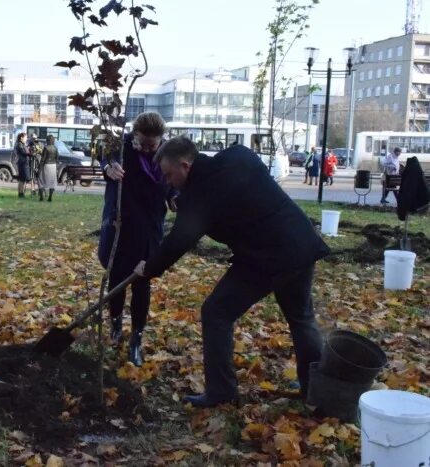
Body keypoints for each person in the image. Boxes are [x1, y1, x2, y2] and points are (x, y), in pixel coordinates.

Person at [134, 136, 329, 408]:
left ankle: (221, 392)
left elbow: (178, 241)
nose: (167, 181)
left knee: (216, 313)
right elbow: (239, 192)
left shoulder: (201, 194)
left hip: (266, 256)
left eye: (169, 175)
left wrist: (149, 269)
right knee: (301, 318)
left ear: (186, 165)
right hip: (300, 242)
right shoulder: (238, 156)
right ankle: (317, 390)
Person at [99, 111, 174, 366]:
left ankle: (136, 340)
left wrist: (175, 197)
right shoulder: (121, 149)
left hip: (149, 231)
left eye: (152, 144)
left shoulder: (166, 155)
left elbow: (172, 186)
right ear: (135, 133)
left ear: (161, 140)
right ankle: (116, 327)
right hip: (120, 226)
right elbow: (103, 157)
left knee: (142, 283)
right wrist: (108, 168)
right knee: (117, 279)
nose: (146, 147)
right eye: (142, 141)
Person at [38, 134, 58, 202]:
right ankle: (50, 197)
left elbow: (43, 159)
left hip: (46, 165)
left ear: (47, 140)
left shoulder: (46, 148)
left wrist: (39, 168)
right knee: (52, 182)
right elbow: (57, 158)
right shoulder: (55, 148)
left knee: (40, 180)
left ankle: (41, 197)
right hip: (53, 166)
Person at [14, 132, 31, 198]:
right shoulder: (19, 144)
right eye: (25, 137)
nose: (26, 139)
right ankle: (21, 193)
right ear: (21, 137)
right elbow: (23, 152)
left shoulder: (23, 144)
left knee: (24, 179)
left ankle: (22, 192)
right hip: (22, 163)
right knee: (22, 179)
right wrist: (30, 154)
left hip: (24, 163)